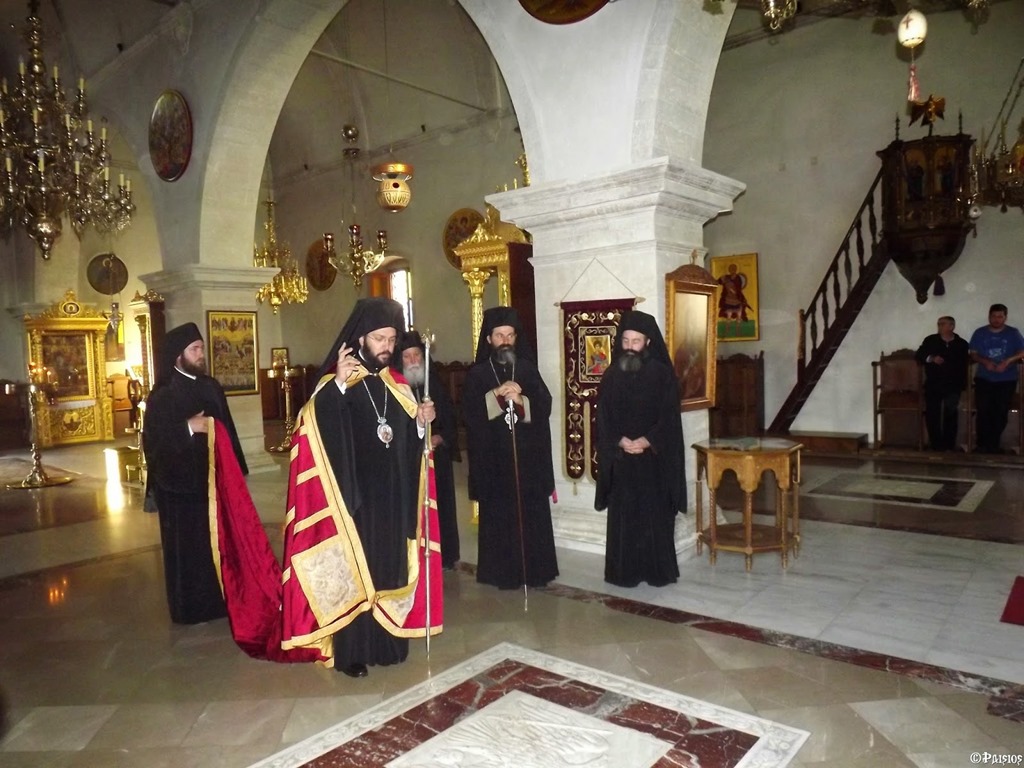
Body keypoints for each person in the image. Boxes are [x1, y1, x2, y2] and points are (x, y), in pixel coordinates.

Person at [280, 298, 440, 678]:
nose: (387, 346)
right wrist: (335, 385)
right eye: (379, 338)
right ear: (361, 339)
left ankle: (387, 642)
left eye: (392, 339)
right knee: (355, 570)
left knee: (386, 568)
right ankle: (350, 651)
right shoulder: (337, 384)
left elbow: (403, 440)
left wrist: (419, 422)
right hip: (352, 500)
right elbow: (312, 426)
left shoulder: (396, 384)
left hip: (389, 497)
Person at [143, 322, 248, 625]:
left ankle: (219, 602)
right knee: (188, 550)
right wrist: (188, 427)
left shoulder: (210, 386)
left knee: (216, 545)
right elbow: (154, 441)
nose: (202, 354)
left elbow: (229, 429)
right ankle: (190, 608)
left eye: (202, 348)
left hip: (214, 482)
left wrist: (236, 473)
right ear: (178, 356)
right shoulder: (162, 395)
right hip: (179, 490)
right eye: (195, 349)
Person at [462, 306, 558, 590]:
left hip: (527, 459)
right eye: (499, 335)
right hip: (494, 461)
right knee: (499, 516)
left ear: (516, 338)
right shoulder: (478, 374)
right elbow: (468, 413)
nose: (505, 340)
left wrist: (521, 398)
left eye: (510, 335)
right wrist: (495, 395)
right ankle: (500, 573)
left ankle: (537, 571)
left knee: (531, 515)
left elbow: (544, 405)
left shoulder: (527, 368)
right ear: (489, 339)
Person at [595, 310, 686, 588]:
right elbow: (604, 418)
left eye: (637, 341)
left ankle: (658, 572)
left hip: (653, 461)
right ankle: (623, 573)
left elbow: (669, 417)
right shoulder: (611, 376)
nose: (630, 346)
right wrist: (620, 441)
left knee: (654, 516)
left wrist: (648, 440)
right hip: (623, 459)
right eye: (626, 340)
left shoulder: (662, 375)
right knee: (625, 518)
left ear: (648, 342)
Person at [397, 330, 461, 570]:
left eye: (416, 356)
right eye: (407, 357)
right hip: (411, 462)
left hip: (437, 459)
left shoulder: (434, 383)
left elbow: (451, 419)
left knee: (440, 507)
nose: (414, 361)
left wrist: (439, 436)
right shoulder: (397, 389)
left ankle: (444, 556)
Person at [968, 304, 1024, 454]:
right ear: (989, 316)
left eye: (1000, 316)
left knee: (1000, 412)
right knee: (983, 411)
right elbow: (973, 353)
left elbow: (1021, 352)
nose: (997, 319)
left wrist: (1007, 361)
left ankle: (993, 445)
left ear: (1005, 317)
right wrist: (985, 361)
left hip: (1006, 379)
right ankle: (981, 445)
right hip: (984, 378)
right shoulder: (980, 333)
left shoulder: (1013, 333)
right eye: (994, 316)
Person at [914, 316, 969, 451]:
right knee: (932, 413)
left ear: (951, 326)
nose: (939, 327)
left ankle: (949, 445)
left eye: (943, 324)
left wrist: (962, 383)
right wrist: (931, 358)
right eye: (938, 324)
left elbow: (964, 365)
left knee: (951, 413)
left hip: (953, 384)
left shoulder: (961, 343)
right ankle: (936, 444)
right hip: (934, 382)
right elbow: (919, 355)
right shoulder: (930, 340)